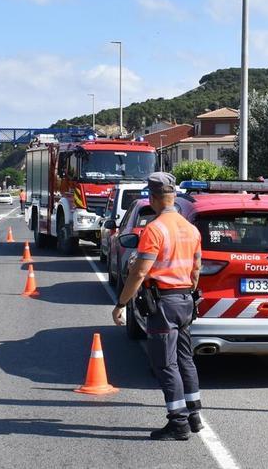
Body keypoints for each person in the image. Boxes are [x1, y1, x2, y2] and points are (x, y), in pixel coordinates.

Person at [113, 172, 203, 441]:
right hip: (186, 299)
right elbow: (196, 269)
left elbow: (139, 273)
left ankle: (178, 424)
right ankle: (194, 415)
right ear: (173, 197)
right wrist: (189, 293)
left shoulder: (154, 229)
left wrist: (121, 303)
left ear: (152, 198)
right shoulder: (191, 229)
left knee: (165, 364)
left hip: (163, 302)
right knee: (185, 359)